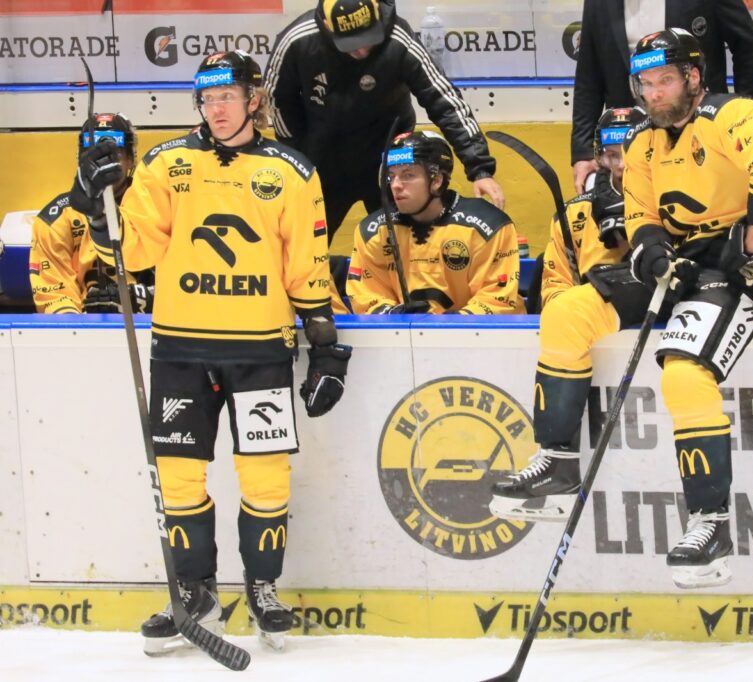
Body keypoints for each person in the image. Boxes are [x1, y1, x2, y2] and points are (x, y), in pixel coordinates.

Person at [68, 50, 352, 653]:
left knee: (266, 475)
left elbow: (306, 263)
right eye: (207, 98)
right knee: (178, 476)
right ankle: (195, 593)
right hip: (181, 348)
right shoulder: (164, 162)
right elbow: (134, 252)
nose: (216, 109)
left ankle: (262, 587)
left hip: (261, 349)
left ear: (254, 98)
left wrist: (324, 343)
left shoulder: (292, 170)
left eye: (227, 96)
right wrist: (95, 202)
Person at [625, 29, 753, 588]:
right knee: (576, 305)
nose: (655, 93)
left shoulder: (730, 113)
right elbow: (640, 217)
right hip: (691, 261)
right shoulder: (642, 144)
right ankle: (555, 457)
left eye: (665, 80)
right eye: (646, 83)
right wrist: (655, 257)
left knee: (682, 371)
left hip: (750, 258)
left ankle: (710, 522)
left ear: (694, 77)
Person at [488, 107, 646, 521]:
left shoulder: (670, 200)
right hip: (589, 331)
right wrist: (579, 303)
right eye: (611, 155)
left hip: (659, 330)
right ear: (598, 158)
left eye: (629, 153)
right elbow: (554, 287)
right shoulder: (574, 216)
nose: (621, 165)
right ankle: (557, 463)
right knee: (564, 312)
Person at [265, 0, 504, 240]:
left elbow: (443, 100)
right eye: (351, 43)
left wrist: (480, 169)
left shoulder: (398, 37)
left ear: (377, 15)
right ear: (328, 26)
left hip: (390, 164)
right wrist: (301, 159)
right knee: (300, 246)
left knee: (410, 247)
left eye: (368, 38)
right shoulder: (298, 39)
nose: (362, 51)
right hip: (322, 162)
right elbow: (276, 101)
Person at [571, 0, 753, 194]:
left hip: (703, 132)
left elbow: (746, 46)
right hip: (630, 140)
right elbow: (589, 71)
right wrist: (583, 152)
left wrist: (748, 124)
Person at [347, 130, 522, 315]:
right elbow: (366, 296)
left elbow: (497, 298)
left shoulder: (489, 226)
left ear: (437, 180)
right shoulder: (373, 231)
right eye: (391, 176)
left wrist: (446, 325)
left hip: (478, 333)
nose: (396, 185)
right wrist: (395, 315)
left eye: (408, 175)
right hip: (402, 333)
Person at [30, 113, 153, 314]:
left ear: (131, 159)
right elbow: (55, 297)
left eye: (115, 154)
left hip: (150, 324)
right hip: (84, 325)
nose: (104, 163)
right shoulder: (56, 219)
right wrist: (83, 328)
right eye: (94, 155)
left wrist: (147, 298)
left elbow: (181, 281)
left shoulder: (155, 206)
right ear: (81, 159)